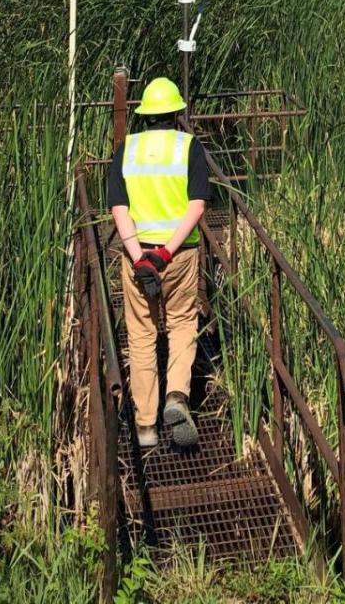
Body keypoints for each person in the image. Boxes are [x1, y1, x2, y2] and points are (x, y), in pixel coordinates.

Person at [107, 75, 209, 449]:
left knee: (142, 333)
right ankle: (177, 397)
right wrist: (165, 253)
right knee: (182, 323)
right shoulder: (189, 148)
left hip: (138, 258)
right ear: (176, 113)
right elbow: (197, 205)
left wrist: (140, 259)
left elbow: (119, 209)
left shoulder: (126, 150)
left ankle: (146, 426)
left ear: (146, 115)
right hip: (178, 255)